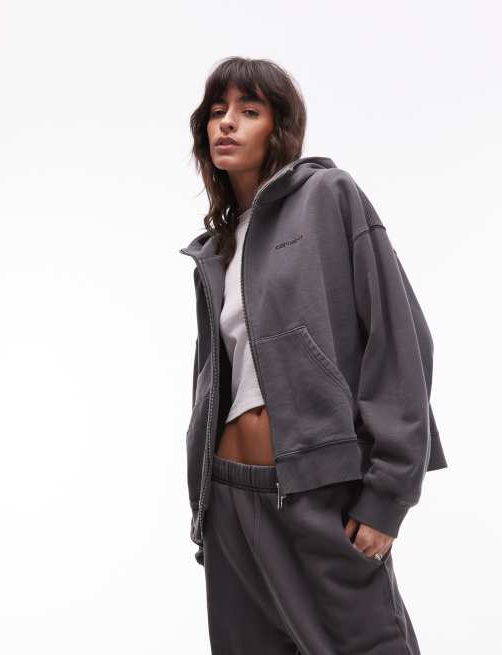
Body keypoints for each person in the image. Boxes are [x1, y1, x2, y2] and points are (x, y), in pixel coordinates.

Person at [179, 56, 448, 655]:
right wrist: (202, 505)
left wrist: (388, 494)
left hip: (315, 491)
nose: (227, 123)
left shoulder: (328, 196)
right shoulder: (216, 248)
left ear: (278, 129)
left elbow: (402, 340)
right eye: (217, 112)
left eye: (249, 111)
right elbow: (215, 378)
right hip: (228, 496)